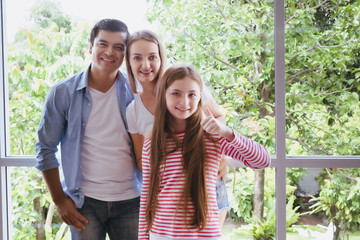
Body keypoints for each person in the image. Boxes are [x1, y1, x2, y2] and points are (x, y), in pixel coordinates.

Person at [138, 64, 271, 239]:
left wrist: (227, 132)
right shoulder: (153, 142)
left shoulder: (213, 137)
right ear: (164, 95)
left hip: (205, 234)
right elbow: (147, 196)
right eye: (176, 93)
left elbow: (263, 160)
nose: (185, 102)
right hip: (161, 234)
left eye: (192, 94)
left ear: (200, 96)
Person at [35, 19, 140, 240]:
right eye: (103, 44)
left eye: (119, 47)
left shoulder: (137, 93)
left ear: (125, 54)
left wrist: (219, 156)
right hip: (84, 203)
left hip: (132, 200)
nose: (110, 52)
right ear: (91, 47)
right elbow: (45, 149)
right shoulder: (63, 92)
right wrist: (59, 200)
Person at [124, 30, 230, 228]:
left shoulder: (184, 84)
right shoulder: (133, 111)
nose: (145, 65)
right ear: (128, 62)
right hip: (169, 198)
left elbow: (218, 117)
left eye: (152, 57)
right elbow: (141, 160)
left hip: (207, 186)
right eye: (137, 58)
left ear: (161, 58)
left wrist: (220, 154)